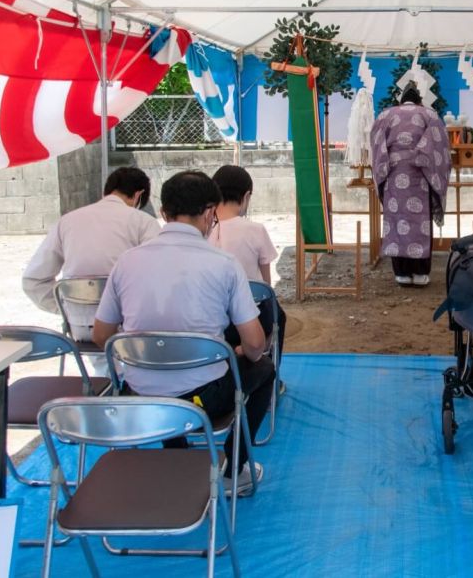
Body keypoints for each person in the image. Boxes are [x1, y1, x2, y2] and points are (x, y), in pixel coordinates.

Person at [92, 170, 274, 495]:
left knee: (161, 373)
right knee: (263, 369)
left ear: (163, 213)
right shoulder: (223, 264)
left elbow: (102, 336)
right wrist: (239, 352)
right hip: (203, 400)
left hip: (141, 396)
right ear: (209, 213)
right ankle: (234, 470)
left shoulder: (127, 261)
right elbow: (257, 343)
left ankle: (176, 455)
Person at [22, 167, 160, 373]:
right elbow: (159, 273)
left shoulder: (68, 221)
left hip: (81, 328)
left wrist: (66, 307)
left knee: (105, 368)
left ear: (106, 191)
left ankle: (108, 383)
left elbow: (33, 280)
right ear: (139, 195)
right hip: (129, 328)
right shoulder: (143, 222)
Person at [370, 83, 451, 287]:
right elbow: (440, 146)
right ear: (418, 100)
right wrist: (422, 159)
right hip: (421, 176)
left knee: (397, 221)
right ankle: (421, 274)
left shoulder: (385, 115)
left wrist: (383, 170)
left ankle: (402, 274)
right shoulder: (430, 116)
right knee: (421, 221)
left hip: (393, 176)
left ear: (401, 100)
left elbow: (376, 145)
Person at [209, 164, 287, 357]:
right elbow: (266, 286)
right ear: (246, 197)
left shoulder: (204, 229)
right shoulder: (255, 230)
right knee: (278, 313)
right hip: (252, 320)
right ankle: (268, 365)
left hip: (213, 317)